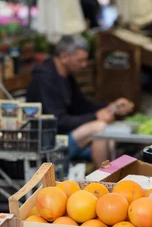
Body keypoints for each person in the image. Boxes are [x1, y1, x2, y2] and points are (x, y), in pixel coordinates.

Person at [27, 35, 134, 166]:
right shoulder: (44, 80)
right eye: (80, 60)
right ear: (64, 57)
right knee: (99, 127)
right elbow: (58, 121)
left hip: (67, 137)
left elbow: (82, 105)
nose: (84, 65)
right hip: (49, 144)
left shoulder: (66, 76)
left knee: (108, 138)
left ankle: (104, 180)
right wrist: (95, 116)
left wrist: (111, 107)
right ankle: (105, 178)